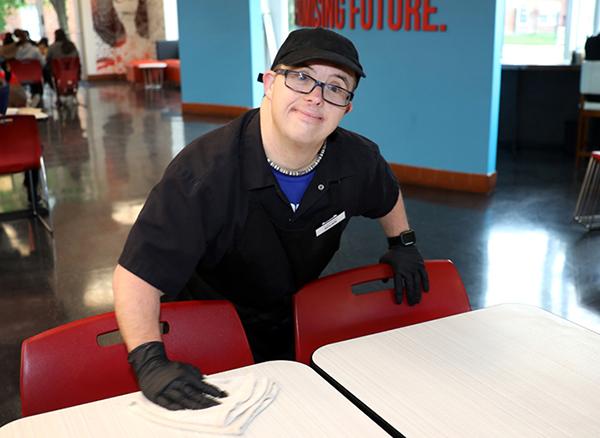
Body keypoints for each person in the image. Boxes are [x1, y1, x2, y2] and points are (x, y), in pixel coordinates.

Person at [113, 27, 429, 410]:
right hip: (204, 328)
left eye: (336, 86)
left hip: (288, 317)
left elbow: (386, 192)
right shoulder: (203, 174)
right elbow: (137, 276)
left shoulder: (357, 160)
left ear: (347, 107)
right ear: (269, 82)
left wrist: (402, 243)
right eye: (301, 77)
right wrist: (149, 361)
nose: (316, 96)